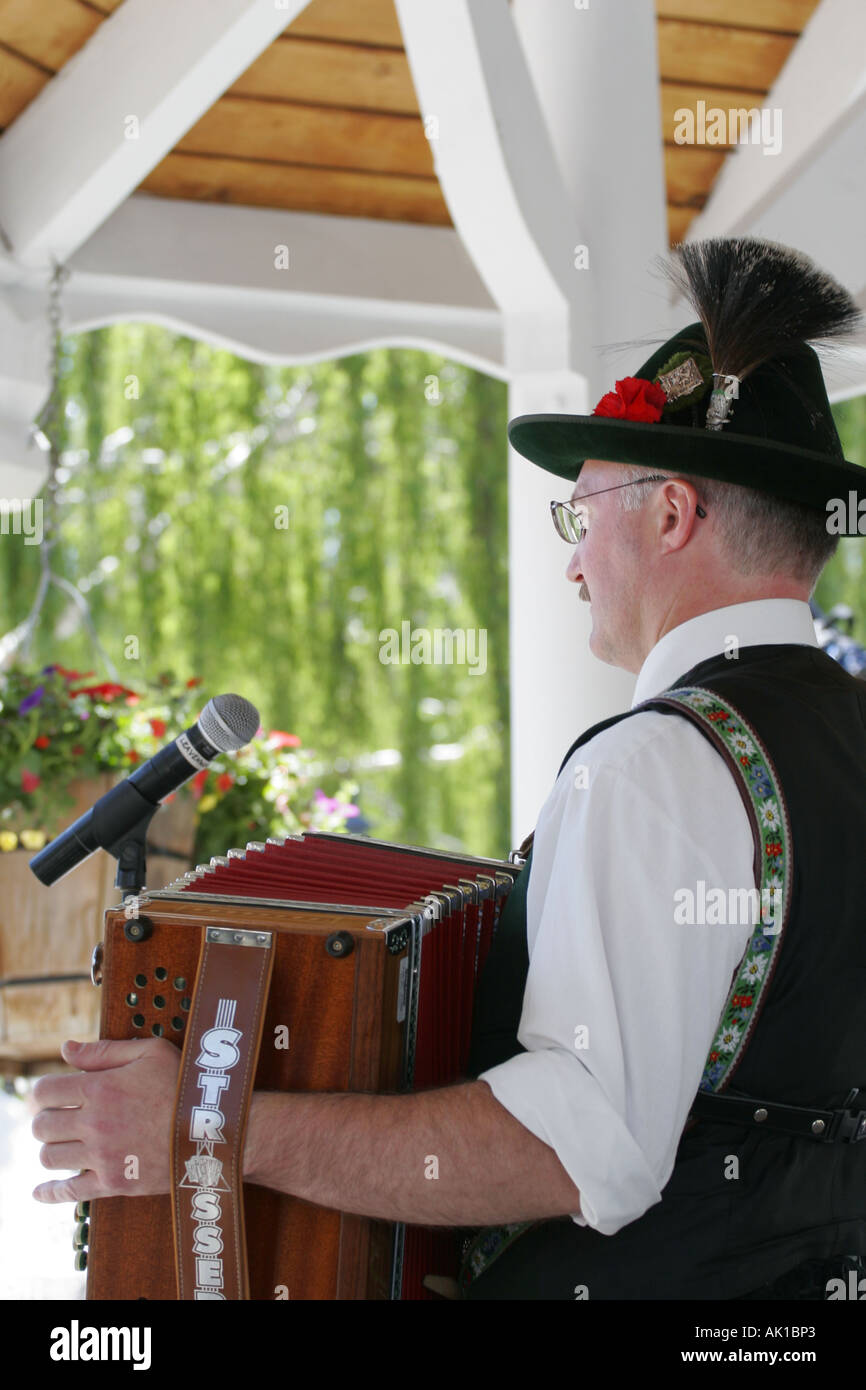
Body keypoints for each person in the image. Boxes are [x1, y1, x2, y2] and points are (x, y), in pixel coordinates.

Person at [31, 237, 866, 1300]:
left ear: (668, 513)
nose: (568, 558)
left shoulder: (653, 763)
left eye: (582, 510)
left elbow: (576, 1148)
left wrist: (206, 1128)